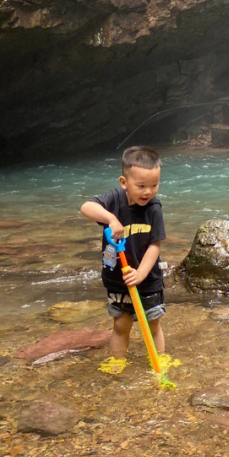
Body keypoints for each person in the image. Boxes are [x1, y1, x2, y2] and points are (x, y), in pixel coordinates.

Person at [80, 145, 168, 371]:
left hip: (147, 280)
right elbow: (86, 207)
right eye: (141, 186)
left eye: (154, 185)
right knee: (121, 324)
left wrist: (141, 274)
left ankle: (160, 361)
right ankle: (118, 362)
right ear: (124, 182)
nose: (148, 192)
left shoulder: (154, 209)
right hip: (118, 280)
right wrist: (110, 218)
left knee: (153, 323)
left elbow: (154, 246)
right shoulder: (114, 200)